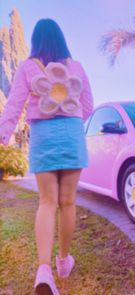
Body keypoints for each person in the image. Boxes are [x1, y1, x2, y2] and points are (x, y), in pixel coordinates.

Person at [0, 18, 94, 295]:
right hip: (72, 134)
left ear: (35, 41)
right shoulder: (76, 67)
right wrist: (70, 117)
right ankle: (63, 262)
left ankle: (44, 270)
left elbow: (15, 104)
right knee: (68, 202)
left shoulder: (28, 67)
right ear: (61, 39)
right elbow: (88, 105)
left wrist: (4, 133)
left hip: (43, 136)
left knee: (47, 202)